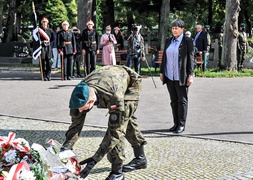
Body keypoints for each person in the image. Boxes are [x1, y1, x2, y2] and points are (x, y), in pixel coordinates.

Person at [61, 65, 147, 179]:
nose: (80, 111)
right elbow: (76, 124)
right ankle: (141, 159)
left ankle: (117, 172)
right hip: (109, 78)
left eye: (82, 107)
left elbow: (115, 133)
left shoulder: (114, 96)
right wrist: (65, 148)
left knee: (120, 125)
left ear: (91, 101)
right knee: (126, 121)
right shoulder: (80, 92)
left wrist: (95, 159)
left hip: (129, 85)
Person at [159, 19, 194, 134]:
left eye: (176, 28)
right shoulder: (169, 40)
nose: (174, 30)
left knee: (182, 100)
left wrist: (190, 75)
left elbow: (191, 58)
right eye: (173, 28)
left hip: (181, 76)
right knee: (173, 100)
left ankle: (181, 124)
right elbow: (165, 57)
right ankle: (175, 123)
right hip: (170, 76)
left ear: (182, 29)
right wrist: (161, 72)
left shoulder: (187, 41)